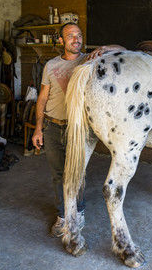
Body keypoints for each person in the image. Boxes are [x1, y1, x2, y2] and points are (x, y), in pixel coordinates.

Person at [31, 22, 125, 237]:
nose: (76, 39)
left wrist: (104, 49)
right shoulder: (50, 65)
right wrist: (38, 128)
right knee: (58, 175)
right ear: (62, 41)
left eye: (79, 35)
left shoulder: (90, 60)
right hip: (52, 126)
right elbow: (43, 97)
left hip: (79, 128)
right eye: (71, 36)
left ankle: (78, 212)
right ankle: (63, 215)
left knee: (76, 174)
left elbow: (123, 49)